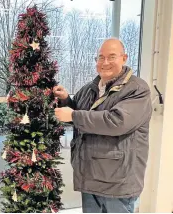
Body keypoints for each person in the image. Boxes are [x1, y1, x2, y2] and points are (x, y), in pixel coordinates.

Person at [53, 38, 152, 213]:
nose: (105, 62)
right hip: (90, 177)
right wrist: (65, 100)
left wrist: (74, 115)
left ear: (124, 58)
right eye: (100, 57)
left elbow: (116, 122)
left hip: (117, 183)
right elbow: (78, 115)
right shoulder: (89, 88)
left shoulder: (137, 89)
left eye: (111, 57)